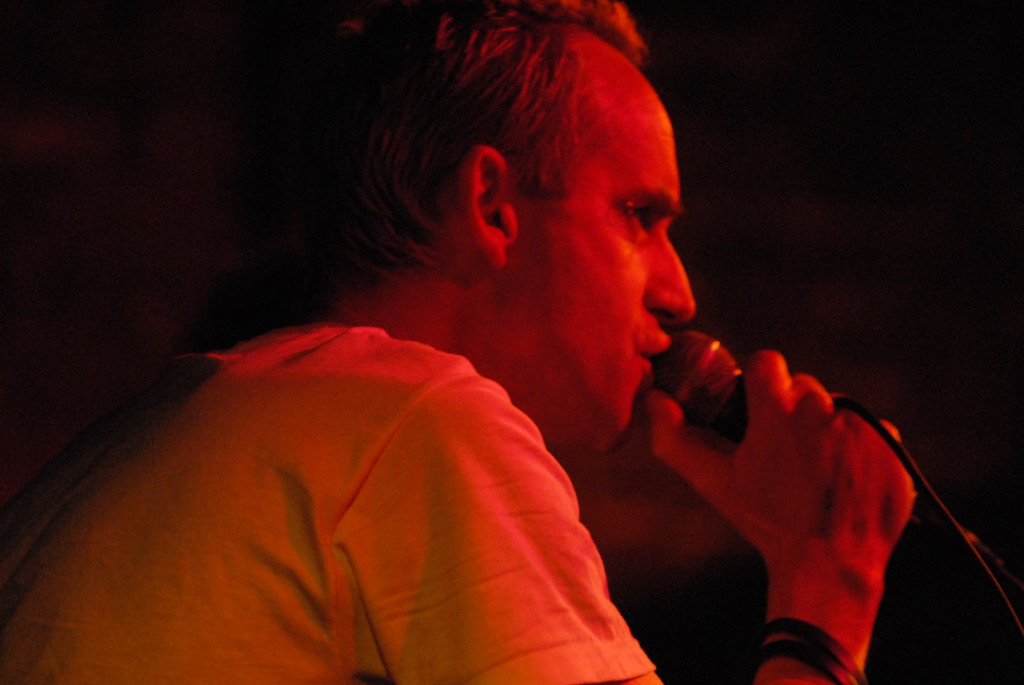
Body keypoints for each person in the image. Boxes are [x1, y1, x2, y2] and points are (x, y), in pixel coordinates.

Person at [0, 1, 915, 683]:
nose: (680, 293)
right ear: (491, 205)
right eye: (639, 216)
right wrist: (826, 591)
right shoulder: (415, 419)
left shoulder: (154, 443)